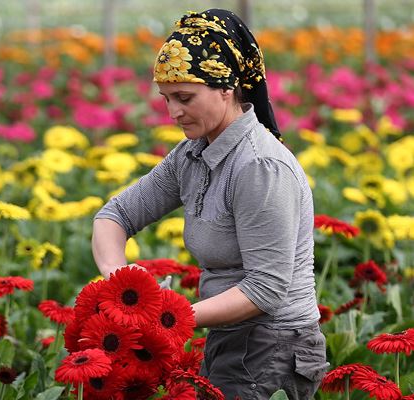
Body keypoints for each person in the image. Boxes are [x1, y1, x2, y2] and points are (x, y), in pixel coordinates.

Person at [91, 9, 329, 400]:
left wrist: (167, 315)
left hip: (274, 347)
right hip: (228, 338)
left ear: (227, 88)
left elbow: (265, 290)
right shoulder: (191, 155)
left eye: (185, 98)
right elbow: (115, 215)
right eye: (166, 99)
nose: (173, 113)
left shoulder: (259, 166)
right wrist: (121, 283)